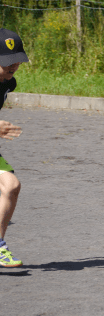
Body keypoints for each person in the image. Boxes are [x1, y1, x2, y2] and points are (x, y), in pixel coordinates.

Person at [0, 29, 30, 267]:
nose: (13, 66)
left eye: (17, 60)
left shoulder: (8, 83)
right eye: (6, 62)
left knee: (12, 186)